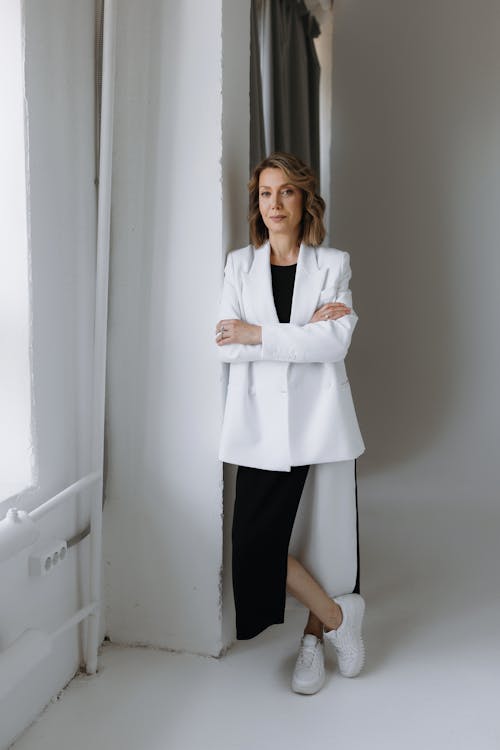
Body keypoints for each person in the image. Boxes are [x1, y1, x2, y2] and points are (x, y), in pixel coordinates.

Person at [214, 151, 366, 695]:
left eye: (286, 192)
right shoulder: (238, 265)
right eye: (264, 194)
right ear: (256, 204)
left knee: (328, 540)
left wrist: (259, 334)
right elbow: (226, 344)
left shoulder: (333, 264)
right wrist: (293, 334)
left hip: (322, 421)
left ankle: (313, 639)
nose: (274, 204)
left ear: (305, 201)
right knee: (256, 544)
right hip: (260, 425)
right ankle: (340, 618)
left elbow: (335, 342)